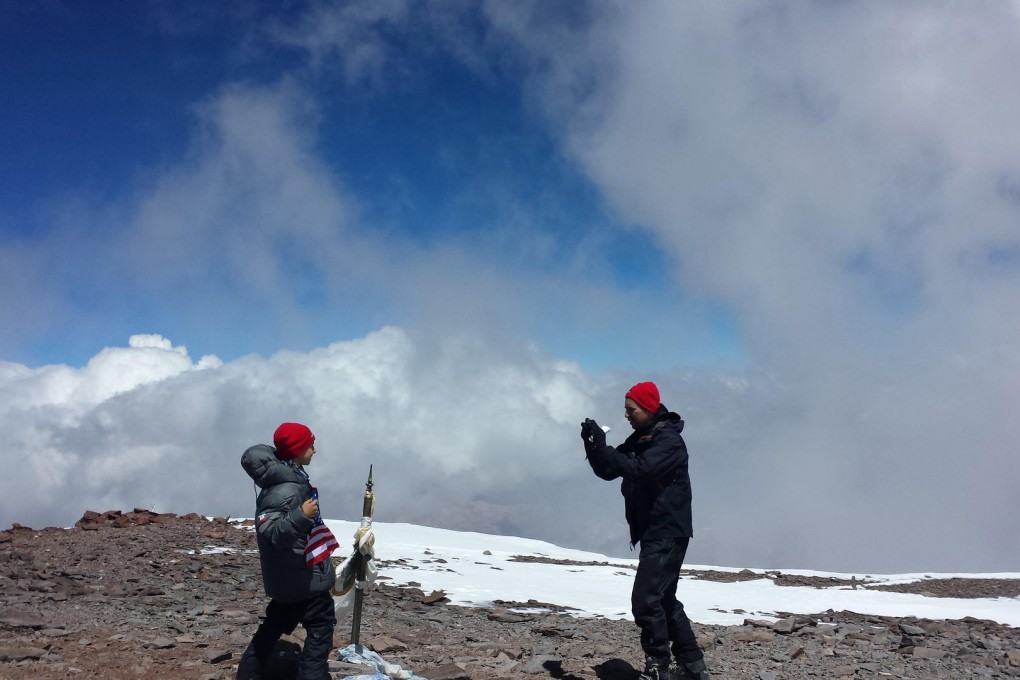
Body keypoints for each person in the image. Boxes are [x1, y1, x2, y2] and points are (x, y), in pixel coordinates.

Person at [581, 382, 710, 680]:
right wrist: (592, 445)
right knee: (663, 599)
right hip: (657, 530)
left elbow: (641, 470)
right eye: (625, 409)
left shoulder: (669, 442)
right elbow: (610, 471)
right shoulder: (643, 437)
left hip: (667, 530)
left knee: (646, 600)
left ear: (648, 408)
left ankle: (658, 668)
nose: (626, 414)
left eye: (631, 409)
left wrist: (604, 448)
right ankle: (692, 666)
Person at [237, 422, 339, 680]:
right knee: (320, 629)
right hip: (303, 581)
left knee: (273, 627)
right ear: (296, 450)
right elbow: (272, 533)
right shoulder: (287, 488)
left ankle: (248, 674)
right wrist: (302, 515)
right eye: (310, 445)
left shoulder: (289, 477)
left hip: (288, 578)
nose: (314, 450)